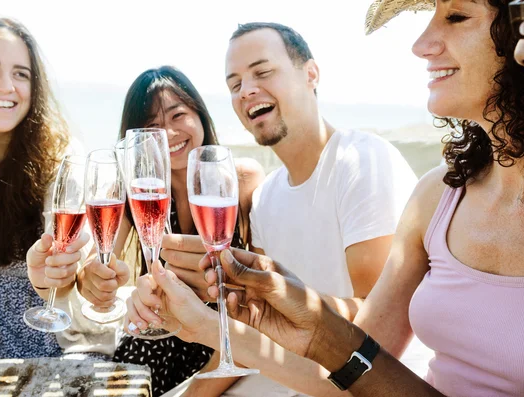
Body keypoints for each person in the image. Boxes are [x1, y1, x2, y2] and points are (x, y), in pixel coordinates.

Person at [130, 0, 524, 396]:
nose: (420, 43)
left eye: (457, 16)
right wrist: (211, 319)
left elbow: (357, 351)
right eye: (234, 84)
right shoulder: (437, 195)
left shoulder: (363, 160)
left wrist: (300, 312)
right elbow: (353, 372)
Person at [131, 22, 417, 396]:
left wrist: (240, 315)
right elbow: (258, 327)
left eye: (263, 72)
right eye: (234, 85)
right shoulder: (266, 198)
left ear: (310, 74)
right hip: (287, 378)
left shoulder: (362, 162)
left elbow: (375, 327)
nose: (247, 90)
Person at [62, 66, 265, 396]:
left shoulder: (239, 181)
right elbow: (94, 271)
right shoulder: (141, 193)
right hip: (153, 342)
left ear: (200, 115)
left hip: (220, 342)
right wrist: (96, 280)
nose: (168, 134)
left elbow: (260, 291)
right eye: (152, 127)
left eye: (178, 115)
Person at [0, 17, 106, 363]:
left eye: (21, 74)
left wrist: (69, 276)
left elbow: (72, 271)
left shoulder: (63, 159)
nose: (6, 86)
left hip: (62, 346)